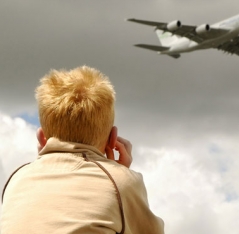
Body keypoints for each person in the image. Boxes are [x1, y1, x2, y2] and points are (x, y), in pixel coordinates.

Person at [1, 66, 164, 234]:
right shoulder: (119, 182)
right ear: (113, 139)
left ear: (42, 137)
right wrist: (120, 173)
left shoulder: (16, 179)